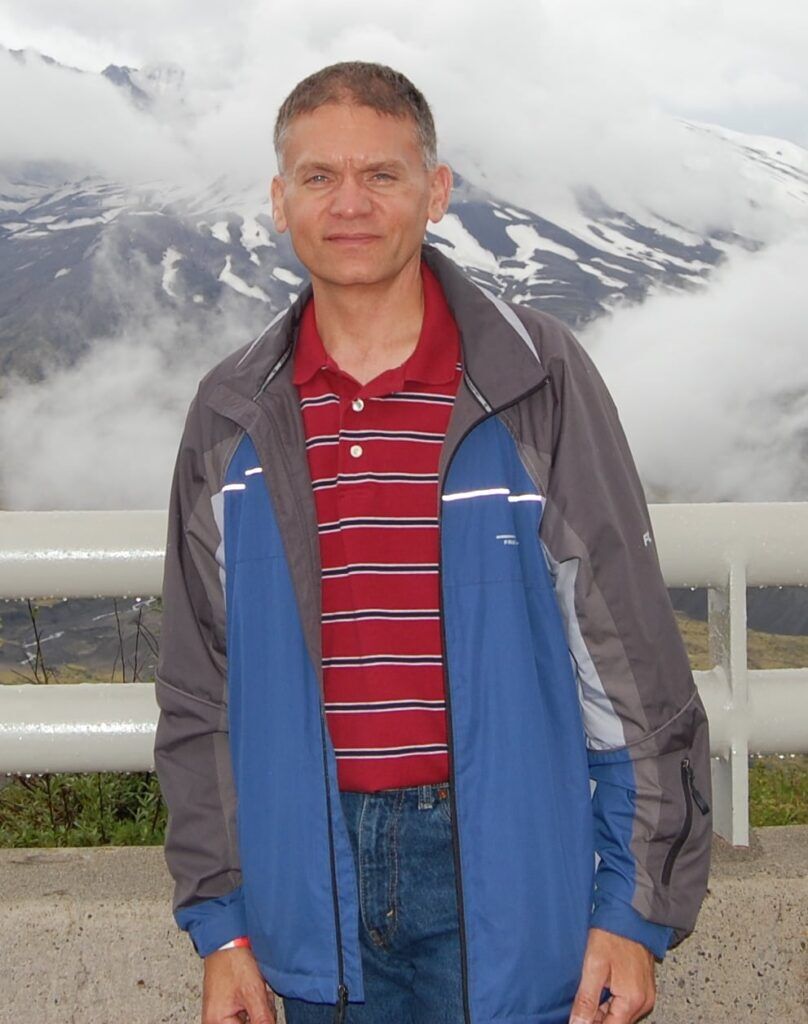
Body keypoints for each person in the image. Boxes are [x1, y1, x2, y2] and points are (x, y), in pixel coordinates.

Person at [154, 61, 712, 1024]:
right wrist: (225, 925)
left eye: (384, 174)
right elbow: (200, 695)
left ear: (436, 190)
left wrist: (634, 906)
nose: (352, 204)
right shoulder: (232, 415)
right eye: (320, 177)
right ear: (279, 202)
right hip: (305, 898)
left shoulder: (536, 382)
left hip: (507, 880)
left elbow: (631, 665)